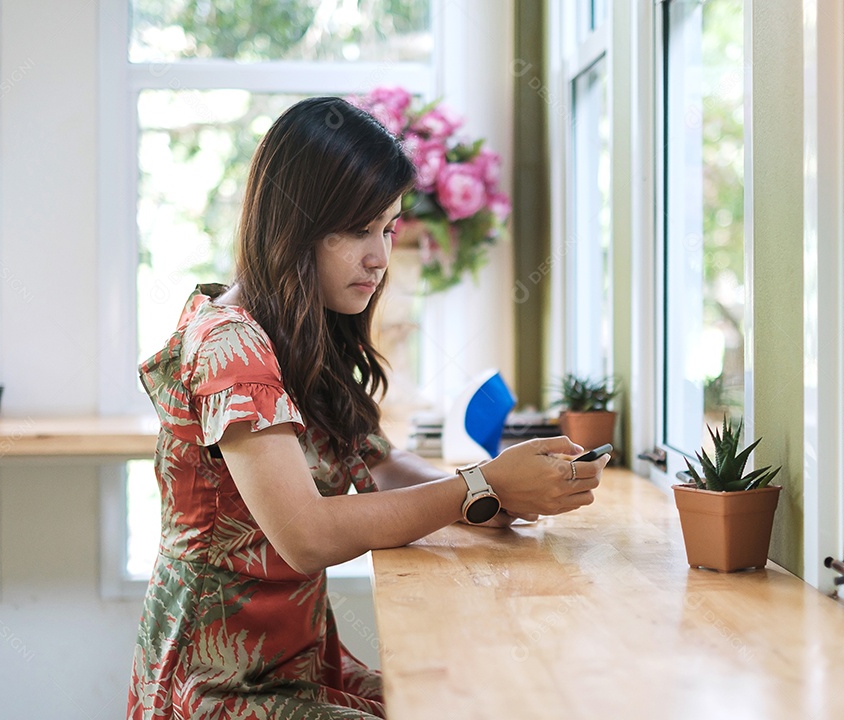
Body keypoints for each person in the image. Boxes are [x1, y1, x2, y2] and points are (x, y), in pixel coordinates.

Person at [126, 96, 610, 720]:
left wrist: (499, 495)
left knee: (466, 697)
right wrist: (477, 486)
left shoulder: (301, 330)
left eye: (387, 228)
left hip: (290, 662)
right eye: (359, 230)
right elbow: (305, 537)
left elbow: (380, 464)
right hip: (219, 686)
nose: (381, 257)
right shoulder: (231, 343)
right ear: (296, 226)